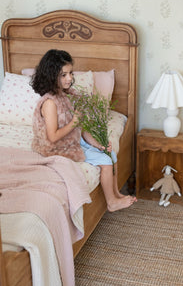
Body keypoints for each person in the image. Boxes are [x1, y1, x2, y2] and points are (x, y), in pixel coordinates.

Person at [31, 49, 137, 212]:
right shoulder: (50, 103)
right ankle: (111, 202)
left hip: (73, 140)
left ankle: (116, 193)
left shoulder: (67, 95)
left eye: (70, 73)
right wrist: (74, 122)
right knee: (106, 162)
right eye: (64, 75)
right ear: (51, 75)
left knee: (111, 154)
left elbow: (81, 129)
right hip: (58, 147)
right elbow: (52, 137)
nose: (70, 78)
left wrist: (99, 145)